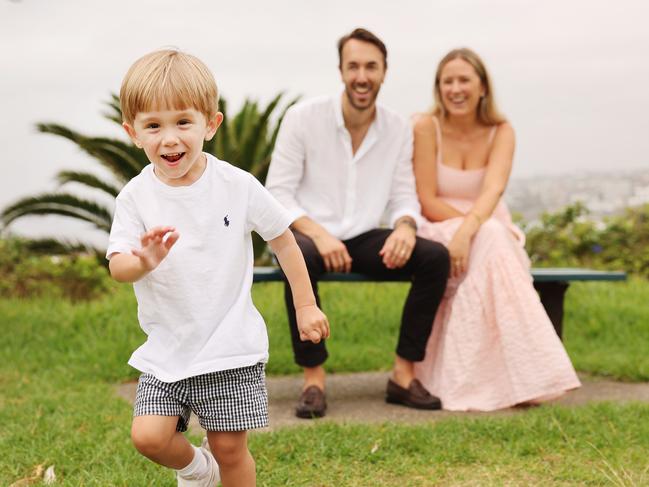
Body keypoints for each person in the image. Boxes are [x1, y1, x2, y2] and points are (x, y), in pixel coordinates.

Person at [107, 49, 329, 487]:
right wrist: (145, 260)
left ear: (210, 123)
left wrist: (305, 305)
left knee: (230, 448)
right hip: (168, 349)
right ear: (133, 133)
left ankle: (221, 469)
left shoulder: (236, 185)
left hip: (231, 346)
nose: (169, 139)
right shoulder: (135, 198)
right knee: (148, 436)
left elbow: (284, 240)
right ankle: (198, 471)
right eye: (153, 126)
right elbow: (118, 266)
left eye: (182, 122)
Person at [266, 28, 450, 419]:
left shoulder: (398, 128)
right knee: (299, 254)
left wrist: (404, 226)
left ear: (384, 72)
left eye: (371, 66)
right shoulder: (301, 118)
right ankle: (313, 379)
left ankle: (403, 375)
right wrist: (318, 233)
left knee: (435, 257)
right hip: (307, 233)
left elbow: (404, 195)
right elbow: (277, 195)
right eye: (353, 66)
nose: (362, 76)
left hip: (364, 235)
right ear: (341, 71)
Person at [411, 48, 581, 411]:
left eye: (464, 80)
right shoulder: (427, 128)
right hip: (438, 228)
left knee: (494, 238)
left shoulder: (501, 132)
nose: (456, 89)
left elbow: (493, 190)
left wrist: (469, 230)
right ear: (438, 88)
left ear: (483, 86)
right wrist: (463, 230)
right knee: (492, 238)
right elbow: (425, 198)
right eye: (447, 81)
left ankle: (519, 376)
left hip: (485, 228)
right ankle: (515, 376)